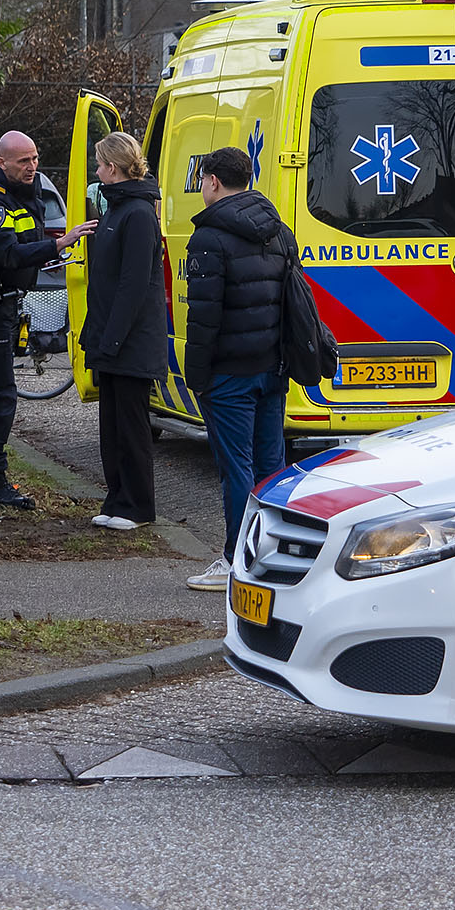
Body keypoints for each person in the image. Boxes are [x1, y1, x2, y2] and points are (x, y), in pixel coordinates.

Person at [182, 146, 288, 592]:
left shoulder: (209, 237)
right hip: (272, 366)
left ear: (212, 182)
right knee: (271, 467)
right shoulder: (277, 229)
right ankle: (277, 556)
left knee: (235, 469)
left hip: (229, 373)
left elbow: (204, 318)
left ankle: (235, 558)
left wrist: (197, 377)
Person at [0, 130, 97, 509]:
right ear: (2, 163)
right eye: (23, 161)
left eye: (34, 158)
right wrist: (58, 244)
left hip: (8, 304)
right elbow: (8, 256)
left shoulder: (25, 190)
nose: (32, 166)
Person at [81, 132, 164, 531]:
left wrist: (112, 339)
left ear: (112, 169)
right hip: (111, 340)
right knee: (111, 427)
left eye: (99, 165)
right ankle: (116, 499)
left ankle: (138, 506)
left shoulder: (138, 214)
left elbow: (134, 286)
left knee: (131, 429)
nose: (96, 173)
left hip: (130, 344)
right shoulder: (116, 209)